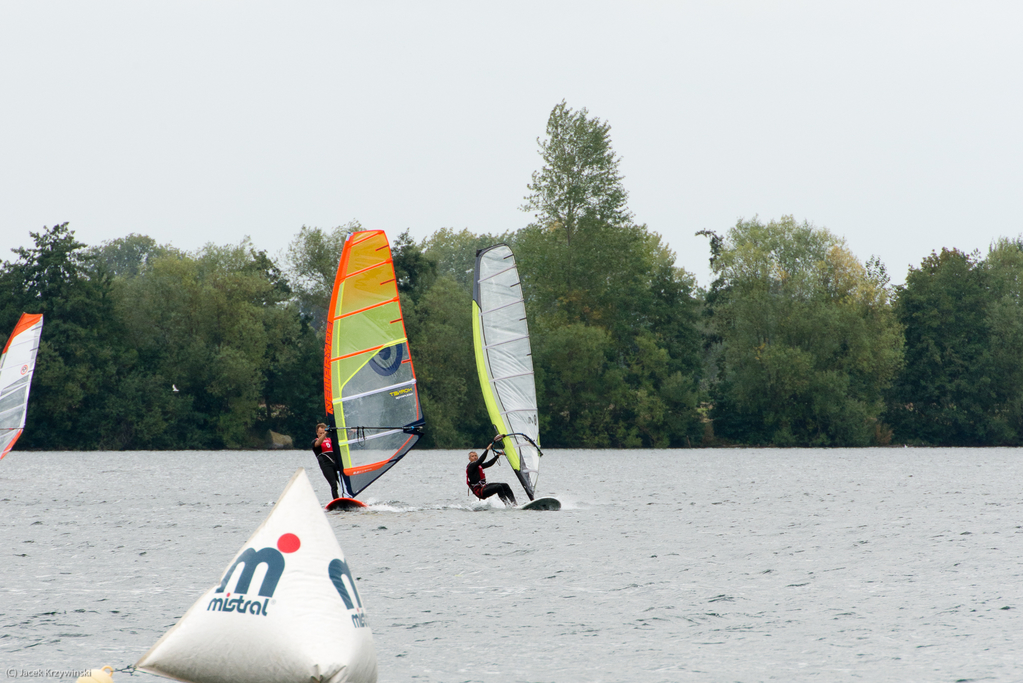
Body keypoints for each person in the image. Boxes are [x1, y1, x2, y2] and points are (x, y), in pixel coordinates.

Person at [466, 435, 517, 507]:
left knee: (505, 485)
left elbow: (489, 464)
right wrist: (487, 449)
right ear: (469, 459)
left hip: (484, 487)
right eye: (472, 456)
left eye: (475, 456)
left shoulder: (478, 465)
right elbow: (481, 460)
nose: (475, 457)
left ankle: (514, 504)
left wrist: (497, 456)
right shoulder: (471, 466)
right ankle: (508, 505)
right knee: (498, 487)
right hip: (480, 491)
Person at [312, 423, 341, 500]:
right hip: (326, 466)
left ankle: (347, 498)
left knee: (343, 483)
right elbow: (318, 443)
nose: (322, 434)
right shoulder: (315, 441)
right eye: (320, 433)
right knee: (334, 484)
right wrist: (325, 434)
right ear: (317, 433)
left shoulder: (330, 440)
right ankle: (336, 500)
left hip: (336, 464)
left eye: (323, 432)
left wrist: (351, 433)